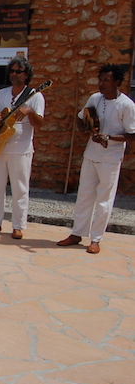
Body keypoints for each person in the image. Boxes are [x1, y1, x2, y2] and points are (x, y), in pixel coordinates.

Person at [57, 64, 135, 254]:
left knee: (104, 199)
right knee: (84, 195)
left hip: (111, 157)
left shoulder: (127, 105)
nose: (101, 83)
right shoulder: (95, 98)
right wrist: (85, 128)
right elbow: (81, 118)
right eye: (100, 79)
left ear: (117, 82)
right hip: (91, 154)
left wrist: (108, 138)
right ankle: (77, 233)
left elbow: (132, 134)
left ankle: (96, 238)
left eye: (105, 80)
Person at [0, 57, 45, 240]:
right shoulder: (2, 93)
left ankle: (18, 225)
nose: (14, 75)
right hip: (0, 144)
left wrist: (30, 112)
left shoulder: (35, 95)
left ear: (26, 75)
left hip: (21, 148)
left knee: (20, 188)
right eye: (12, 71)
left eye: (19, 72)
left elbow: (40, 123)